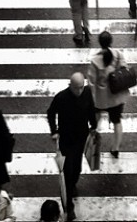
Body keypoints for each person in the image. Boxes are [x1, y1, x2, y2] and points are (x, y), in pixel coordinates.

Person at [47, 73, 96, 222]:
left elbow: (91, 110)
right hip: (66, 141)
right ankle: (69, 207)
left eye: (81, 87)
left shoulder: (87, 92)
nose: (79, 91)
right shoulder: (61, 98)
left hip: (81, 138)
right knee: (67, 174)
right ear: (70, 86)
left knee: (77, 169)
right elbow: (50, 113)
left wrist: (94, 125)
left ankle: (73, 184)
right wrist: (54, 131)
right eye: (76, 88)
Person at [87, 31, 129, 158]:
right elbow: (124, 70)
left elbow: (91, 82)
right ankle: (115, 148)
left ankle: (93, 143)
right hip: (116, 96)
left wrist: (90, 99)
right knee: (117, 121)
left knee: (95, 120)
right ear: (111, 42)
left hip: (100, 98)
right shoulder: (118, 55)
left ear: (100, 43)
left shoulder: (95, 60)